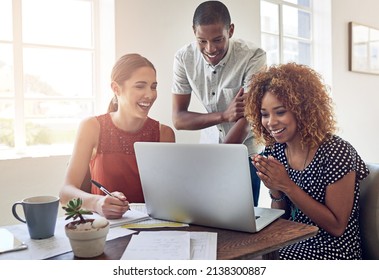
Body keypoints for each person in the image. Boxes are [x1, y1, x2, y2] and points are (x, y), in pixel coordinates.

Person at [245, 63, 369, 260]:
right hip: (292, 239)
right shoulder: (274, 150)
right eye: (264, 114)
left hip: (332, 248)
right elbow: (282, 217)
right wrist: (275, 190)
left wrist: (286, 184)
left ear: (302, 110)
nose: (271, 122)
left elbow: (337, 226)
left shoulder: (337, 152)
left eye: (280, 112)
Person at [171, 1, 266, 206]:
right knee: (207, 222)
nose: (210, 48)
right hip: (208, 152)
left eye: (217, 39)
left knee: (243, 228)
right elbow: (178, 119)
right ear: (193, 32)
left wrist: (219, 163)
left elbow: (247, 116)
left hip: (245, 154)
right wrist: (223, 115)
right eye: (202, 41)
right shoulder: (183, 58)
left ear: (230, 30)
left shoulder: (253, 56)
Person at [60, 53, 175, 219]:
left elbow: (169, 196)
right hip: (106, 229)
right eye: (140, 86)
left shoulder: (164, 134)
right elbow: (65, 193)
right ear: (116, 88)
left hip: (151, 228)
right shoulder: (92, 127)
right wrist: (97, 203)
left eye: (153, 86)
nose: (150, 95)